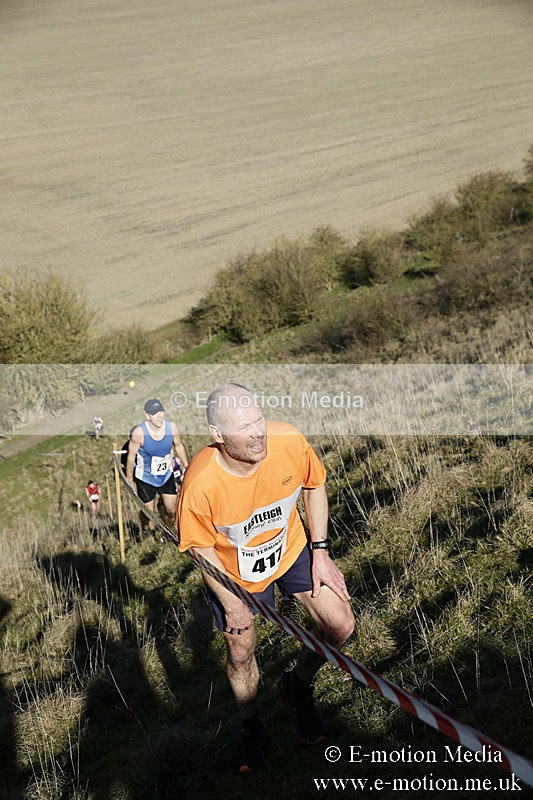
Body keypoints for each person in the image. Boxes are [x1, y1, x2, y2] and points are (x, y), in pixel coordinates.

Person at [177, 384, 354, 773]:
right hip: (235, 576)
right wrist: (232, 603)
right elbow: (200, 549)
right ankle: (251, 726)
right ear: (218, 436)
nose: (258, 432)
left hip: (291, 551)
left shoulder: (287, 440)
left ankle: (297, 686)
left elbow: (314, 483)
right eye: (244, 426)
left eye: (258, 418)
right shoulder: (200, 484)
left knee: (340, 625)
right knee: (241, 653)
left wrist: (320, 552)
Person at [126, 398, 189, 536]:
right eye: (155, 413)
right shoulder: (139, 433)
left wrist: (186, 465)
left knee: (171, 511)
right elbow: (131, 458)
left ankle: (165, 534)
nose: (160, 416)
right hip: (146, 478)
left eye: (161, 412)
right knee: (148, 514)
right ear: (147, 415)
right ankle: (145, 525)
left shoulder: (171, 428)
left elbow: (178, 445)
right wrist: (129, 481)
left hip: (166, 475)